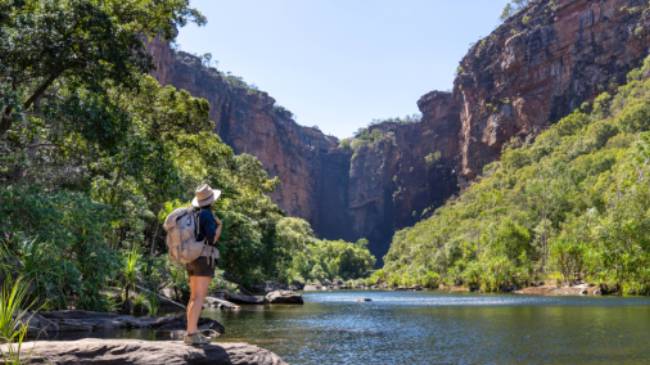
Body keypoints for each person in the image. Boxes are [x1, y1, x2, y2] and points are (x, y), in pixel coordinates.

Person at [184, 184, 223, 346]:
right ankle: (192, 334)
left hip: (191, 258)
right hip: (203, 259)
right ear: (211, 201)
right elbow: (212, 239)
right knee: (199, 297)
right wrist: (220, 226)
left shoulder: (193, 214)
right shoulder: (207, 215)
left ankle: (190, 333)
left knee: (193, 297)